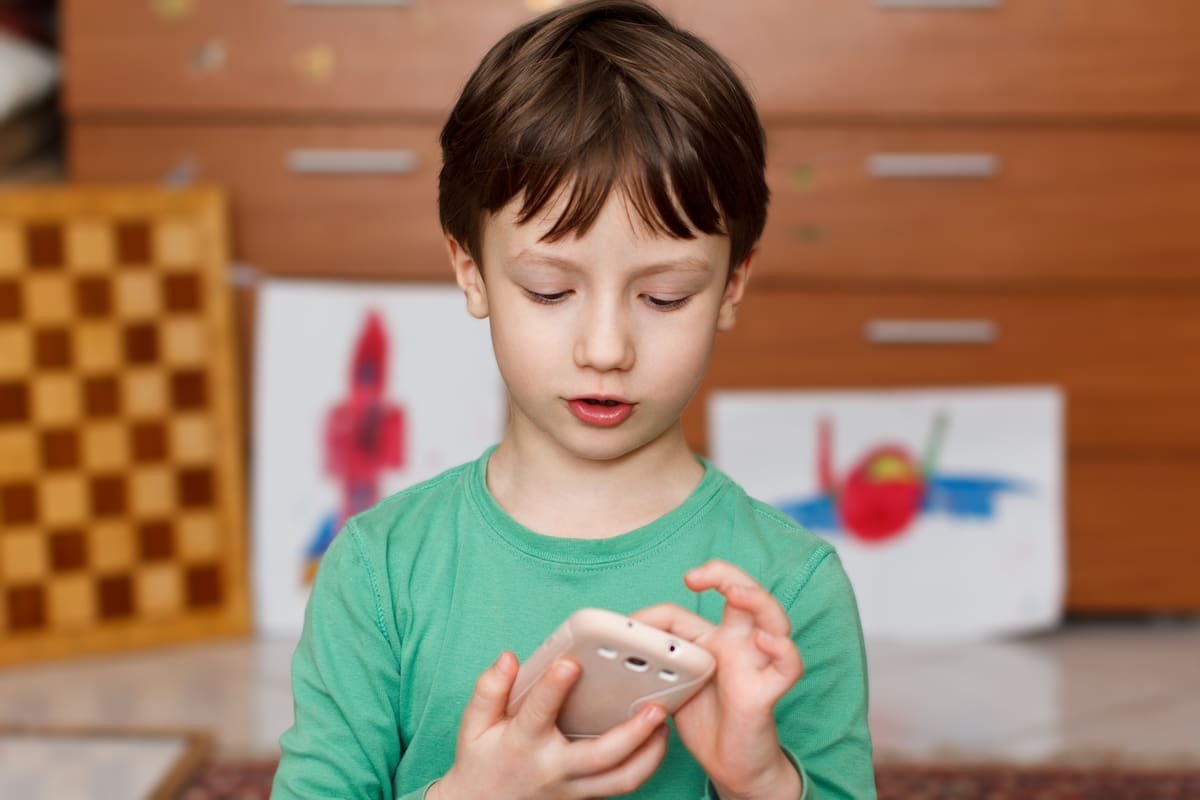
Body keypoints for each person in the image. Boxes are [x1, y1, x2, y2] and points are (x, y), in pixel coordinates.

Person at [271, 2, 875, 798]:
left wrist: (761, 777)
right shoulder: (381, 571)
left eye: (662, 298)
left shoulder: (788, 590)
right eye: (551, 290)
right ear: (471, 272)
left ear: (733, 286)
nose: (605, 349)